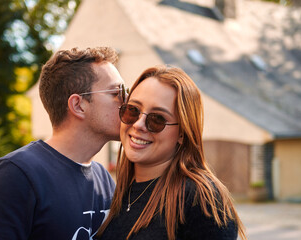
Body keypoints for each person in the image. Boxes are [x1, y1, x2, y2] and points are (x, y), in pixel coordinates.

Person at [0, 47, 128, 240]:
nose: (127, 102)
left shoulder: (104, 179)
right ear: (78, 105)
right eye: (117, 92)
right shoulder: (14, 176)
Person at [97, 65, 247, 240]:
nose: (138, 125)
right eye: (133, 110)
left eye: (157, 119)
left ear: (182, 133)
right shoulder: (121, 192)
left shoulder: (200, 199)